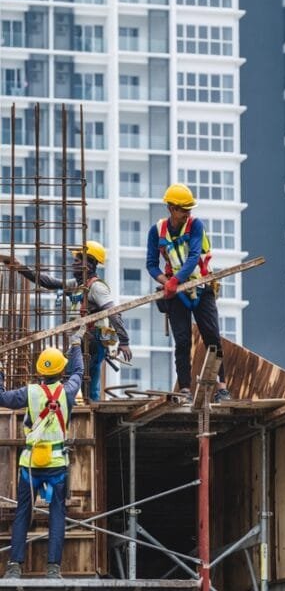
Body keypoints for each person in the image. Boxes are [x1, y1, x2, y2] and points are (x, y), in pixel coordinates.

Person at [1, 326, 85, 579]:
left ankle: (14, 567)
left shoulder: (30, 393)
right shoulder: (68, 392)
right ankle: (53, 568)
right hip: (56, 463)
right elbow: (78, 372)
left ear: (39, 370)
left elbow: (2, 398)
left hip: (30, 465)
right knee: (57, 514)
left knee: (22, 514)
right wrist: (75, 346)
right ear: (60, 370)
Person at [0, 241, 132, 401]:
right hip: (80, 340)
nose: (73, 263)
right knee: (78, 377)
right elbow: (47, 282)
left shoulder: (97, 287)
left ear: (90, 264)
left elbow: (113, 312)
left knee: (88, 380)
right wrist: (19, 267)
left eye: (78, 260)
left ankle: (93, 409)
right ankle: (87, 404)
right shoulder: (77, 284)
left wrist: (124, 341)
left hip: (93, 340)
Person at [146, 183, 230, 402]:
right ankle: (185, 389)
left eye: (189, 209)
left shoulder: (195, 225)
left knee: (212, 337)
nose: (187, 214)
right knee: (182, 341)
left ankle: (222, 388)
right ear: (172, 208)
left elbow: (194, 256)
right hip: (177, 294)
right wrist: (166, 282)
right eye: (183, 209)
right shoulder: (157, 232)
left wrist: (175, 280)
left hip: (202, 287)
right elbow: (151, 265)